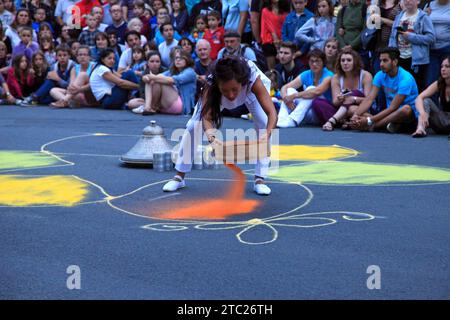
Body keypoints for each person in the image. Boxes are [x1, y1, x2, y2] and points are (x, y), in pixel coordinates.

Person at [162, 56, 277, 196]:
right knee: (193, 126)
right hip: (216, 95)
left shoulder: (254, 80)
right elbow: (206, 118)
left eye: (234, 89)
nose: (231, 95)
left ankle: (260, 179)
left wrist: (267, 134)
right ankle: (179, 176)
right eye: (226, 90)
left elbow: (272, 113)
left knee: (264, 123)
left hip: (249, 92)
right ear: (219, 85)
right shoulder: (211, 85)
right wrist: (212, 138)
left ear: (242, 83)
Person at [350, 47, 419, 133]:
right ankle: (385, 124)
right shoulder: (380, 75)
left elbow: (393, 108)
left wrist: (369, 121)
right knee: (352, 109)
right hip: (388, 114)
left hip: (407, 117)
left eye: (385, 60)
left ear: (395, 62)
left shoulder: (406, 79)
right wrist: (355, 116)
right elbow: (370, 99)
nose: (381, 64)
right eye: (380, 60)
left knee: (406, 109)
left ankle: (374, 126)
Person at [277, 49, 334, 128]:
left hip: (321, 113)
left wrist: (294, 96)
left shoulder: (329, 75)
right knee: (289, 90)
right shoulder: (307, 73)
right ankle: (281, 119)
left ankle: (293, 120)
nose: (314, 64)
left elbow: (317, 92)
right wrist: (286, 99)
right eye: (311, 61)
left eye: (317, 61)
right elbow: (285, 87)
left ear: (323, 62)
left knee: (311, 88)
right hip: (307, 112)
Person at [388, 0, 435, 91]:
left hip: (416, 61)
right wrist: (392, 53)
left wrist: (411, 37)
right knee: (400, 88)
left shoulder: (423, 17)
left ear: (418, 1)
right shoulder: (399, 16)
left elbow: (431, 38)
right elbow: (392, 37)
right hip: (399, 58)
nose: (407, 1)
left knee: (415, 88)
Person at [321, 48, 373, 131]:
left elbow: (369, 100)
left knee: (354, 95)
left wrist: (353, 99)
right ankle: (348, 121)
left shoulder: (366, 75)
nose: (345, 63)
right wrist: (341, 98)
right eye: (343, 60)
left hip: (361, 108)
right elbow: (335, 102)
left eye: (349, 60)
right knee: (317, 102)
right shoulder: (336, 77)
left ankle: (332, 121)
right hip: (343, 108)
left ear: (355, 62)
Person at [133, 49, 196, 115]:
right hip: (166, 105)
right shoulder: (172, 71)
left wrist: (152, 77)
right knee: (132, 103)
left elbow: (172, 80)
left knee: (158, 80)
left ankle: (149, 107)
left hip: (181, 106)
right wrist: (146, 77)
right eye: (176, 58)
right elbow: (158, 76)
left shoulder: (190, 72)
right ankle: (147, 107)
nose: (178, 60)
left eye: (181, 58)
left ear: (187, 60)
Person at [412, 55, 450, 138]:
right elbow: (419, 98)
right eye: (442, 66)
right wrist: (422, 113)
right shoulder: (439, 83)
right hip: (443, 120)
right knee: (426, 100)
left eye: (447, 66)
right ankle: (420, 128)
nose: (443, 69)